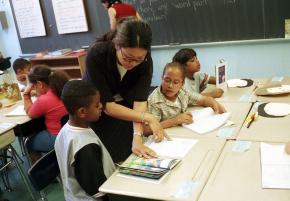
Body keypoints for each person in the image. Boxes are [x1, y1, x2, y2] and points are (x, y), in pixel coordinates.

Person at [83, 17, 166, 162]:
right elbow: (107, 106)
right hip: (97, 109)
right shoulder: (97, 54)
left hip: (124, 106)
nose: (133, 63)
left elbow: (139, 101)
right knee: (113, 156)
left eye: (138, 59)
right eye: (127, 58)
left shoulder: (145, 61)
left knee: (136, 148)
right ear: (117, 45)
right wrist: (147, 117)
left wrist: (137, 136)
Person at [55, 80, 115, 201]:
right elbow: (98, 190)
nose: (101, 106)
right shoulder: (85, 147)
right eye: (97, 105)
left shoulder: (65, 130)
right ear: (82, 112)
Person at [145, 62, 226, 133]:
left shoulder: (183, 92)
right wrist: (175, 120)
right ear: (162, 78)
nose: (170, 85)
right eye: (167, 80)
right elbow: (147, 130)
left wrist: (213, 103)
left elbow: (203, 99)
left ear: (182, 83)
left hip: (183, 131)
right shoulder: (154, 101)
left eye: (176, 82)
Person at [23, 65, 69, 163]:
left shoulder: (44, 100)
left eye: (34, 86)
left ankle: (43, 174)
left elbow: (30, 112)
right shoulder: (63, 88)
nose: (34, 89)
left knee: (28, 143)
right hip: (71, 133)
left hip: (58, 138)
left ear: (40, 84)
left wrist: (26, 94)